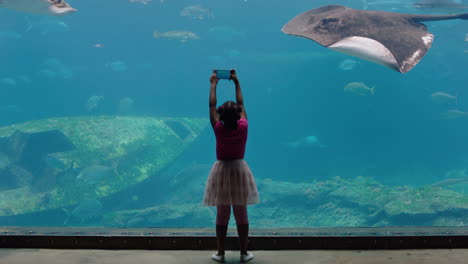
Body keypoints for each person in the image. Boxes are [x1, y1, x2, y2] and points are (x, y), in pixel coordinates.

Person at [203, 70, 260, 263]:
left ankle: (220, 253)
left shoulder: (218, 127)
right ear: (237, 114)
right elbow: (242, 104)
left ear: (220, 114)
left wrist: (213, 84)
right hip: (239, 170)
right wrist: (237, 83)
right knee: (241, 213)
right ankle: (244, 253)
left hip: (221, 171)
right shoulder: (243, 126)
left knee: (222, 214)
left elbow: (211, 104)